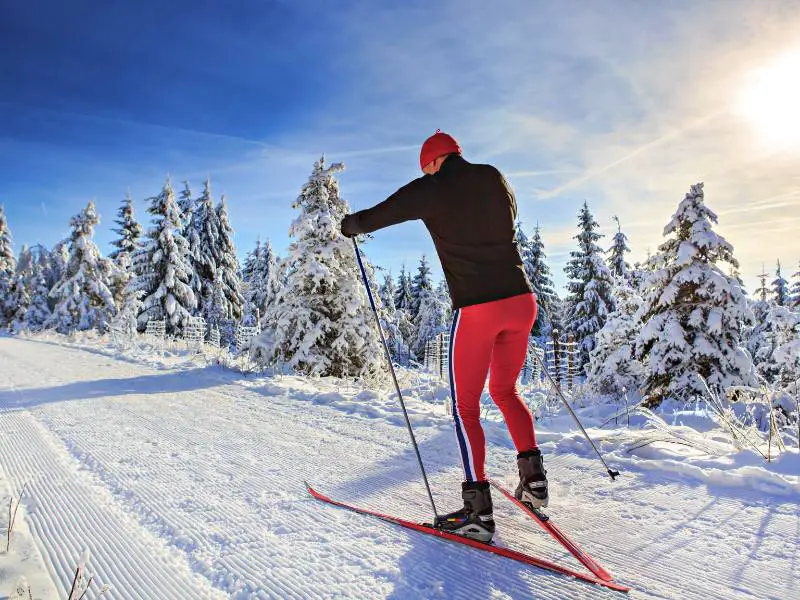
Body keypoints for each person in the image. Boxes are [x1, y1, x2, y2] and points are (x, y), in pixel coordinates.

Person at [340, 130, 548, 543]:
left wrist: (351, 225)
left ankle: (477, 513)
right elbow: (507, 214)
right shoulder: (493, 176)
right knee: (505, 391)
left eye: (425, 167)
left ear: (433, 163)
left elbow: (387, 211)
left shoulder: (432, 188)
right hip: (522, 302)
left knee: (465, 408)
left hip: (478, 309)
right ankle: (535, 483)